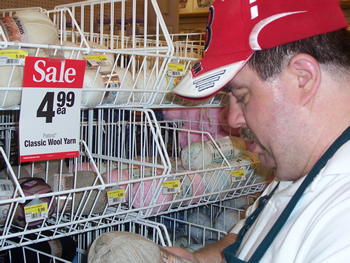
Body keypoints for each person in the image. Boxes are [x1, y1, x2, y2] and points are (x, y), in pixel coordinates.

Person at [168, 0, 350, 262]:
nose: (232, 118)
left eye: (241, 96)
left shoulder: (342, 222)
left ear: (303, 78)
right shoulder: (299, 161)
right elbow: (248, 236)